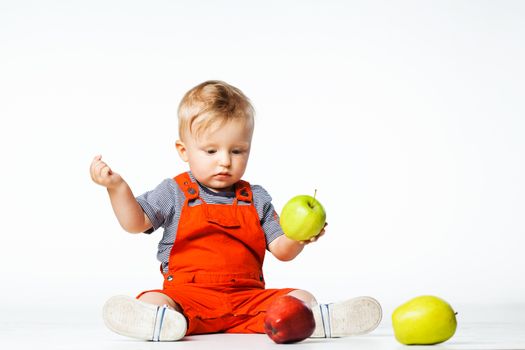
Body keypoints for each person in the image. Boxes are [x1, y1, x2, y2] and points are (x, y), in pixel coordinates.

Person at [90, 80, 382, 341]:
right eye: (211, 151)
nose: (225, 162)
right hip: (189, 296)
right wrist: (116, 187)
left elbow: (281, 250)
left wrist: (299, 236)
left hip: (247, 299)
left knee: (300, 297)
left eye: (237, 151)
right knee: (156, 299)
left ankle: (316, 320)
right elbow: (135, 222)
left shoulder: (255, 197)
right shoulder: (175, 192)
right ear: (183, 151)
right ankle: (156, 320)